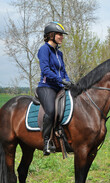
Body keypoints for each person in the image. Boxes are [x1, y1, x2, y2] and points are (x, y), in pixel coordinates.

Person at [36, 21, 71, 155]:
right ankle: (47, 141)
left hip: (59, 86)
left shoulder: (59, 53)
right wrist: (60, 80)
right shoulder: (44, 50)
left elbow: (63, 71)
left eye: (62, 35)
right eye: (59, 34)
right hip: (46, 87)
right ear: (51, 35)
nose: (62, 37)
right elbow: (45, 70)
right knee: (50, 111)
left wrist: (67, 82)